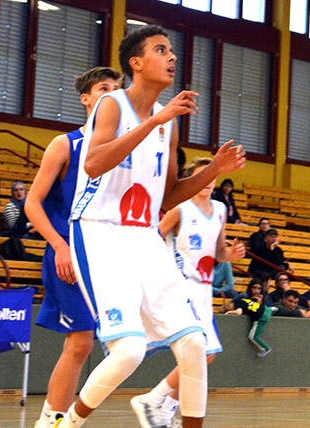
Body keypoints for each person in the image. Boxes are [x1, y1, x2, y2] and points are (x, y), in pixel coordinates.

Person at [54, 25, 246, 428]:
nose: (172, 57)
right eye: (161, 50)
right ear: (136, 63)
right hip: (100, 229)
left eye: (172, 51)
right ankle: (66, 423)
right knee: (129, 352)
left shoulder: (168, 124)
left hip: (143, 234)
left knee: (194, 343)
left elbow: (167, 198)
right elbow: (93, 163)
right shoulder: (112, 104)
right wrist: (156, 119)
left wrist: (214, 168)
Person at [24, 66, 120, 428]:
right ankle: (52, 421)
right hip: (68, 251)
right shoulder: (65, 144)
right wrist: (60, 246)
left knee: (122, 345)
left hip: (106, 254)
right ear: (86, 99)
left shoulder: (121, 148)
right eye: (104, 88)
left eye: (116, 89)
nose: (112, 94)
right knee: (80, 343)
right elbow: (32, 203)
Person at [130, 156, 246, 428]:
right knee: (201, 354)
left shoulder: (220, 209)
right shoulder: (180, 208)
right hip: (181, 285)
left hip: (204, 289)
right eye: (201, 175)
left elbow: (219, 252)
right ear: (192, 179)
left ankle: (163, 411)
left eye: (211, 175)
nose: (207, 181)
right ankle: (153, 399)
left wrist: (231, 254)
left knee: (206, 356)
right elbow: (152, 238)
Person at [225, 281, 272, 357]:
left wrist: (228, 312)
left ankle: (266, 348)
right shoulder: (244, 300)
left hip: (260, 317)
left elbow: (238, 312)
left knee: (252, 336)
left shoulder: (238, 304)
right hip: (267, 309)